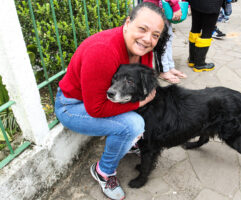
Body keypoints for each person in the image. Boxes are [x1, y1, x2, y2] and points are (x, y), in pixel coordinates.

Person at [54, 3, 168, 200]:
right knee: (132, 124)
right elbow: (96, 108)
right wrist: (140, 104)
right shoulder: (103, 51)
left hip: (102, 101)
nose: (148, 39)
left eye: (155, 35)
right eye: (142, 29)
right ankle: (103, 171)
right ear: (127, 23)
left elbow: (144, 88)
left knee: (143, 116)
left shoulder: (143, 47)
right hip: (72, 106)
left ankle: (128, 142)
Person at [144, 0, 187, 83]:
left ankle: (170, 67)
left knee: (168, 39)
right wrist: (176, 7)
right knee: (161, 42)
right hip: (156, 9)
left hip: (163, 7)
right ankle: (163, 71)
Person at [188, 0, 223, 72]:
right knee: (207, 32)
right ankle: (200, 64)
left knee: (195, 28)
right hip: (212, 4)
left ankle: (192, 59)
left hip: (195, 3)